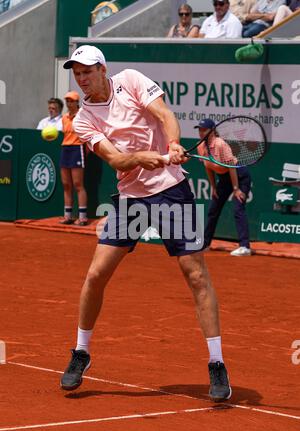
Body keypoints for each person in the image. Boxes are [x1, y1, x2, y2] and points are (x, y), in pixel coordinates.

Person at [60, 45, 232, 402]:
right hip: (130, 200)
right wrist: (143, 158)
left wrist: (170, 144)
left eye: (88, 71)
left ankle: (217, 362)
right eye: (77, 73)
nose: (83, 78)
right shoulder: (82, 119)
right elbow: (116, 160)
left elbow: (165, 114)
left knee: (195, 273)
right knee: (96, 274)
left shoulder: (131, 80)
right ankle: (81, 351)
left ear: (103, 70)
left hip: (172, 191)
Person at [196, 119, 252, 256]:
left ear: (212, 130)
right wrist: (213, 187)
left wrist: (236, 189)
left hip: (239, 176)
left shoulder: (221, 144)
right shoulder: (200, 146)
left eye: (204, 129)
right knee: (213, 210)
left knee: (238, 208)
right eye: (199, 129)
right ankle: (205, 244)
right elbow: (208, 167)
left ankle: (245, 247)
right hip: (223, 179)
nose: (201, 132)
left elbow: (231, 168)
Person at [59, 91, 88, 226]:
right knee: (66, 185)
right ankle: (67, 216)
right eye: (67, 101)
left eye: (71, 101)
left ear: (77, 102)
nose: (69, 103)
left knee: (78, 185)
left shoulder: (82, 116)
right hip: (65, 149)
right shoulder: (64, 118)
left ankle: (82, 217)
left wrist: (84, 151)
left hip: (77, 149)